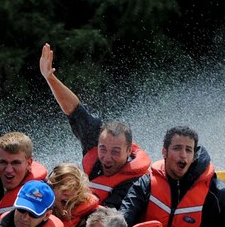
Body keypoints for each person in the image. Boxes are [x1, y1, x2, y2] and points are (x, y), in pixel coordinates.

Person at [39, 43, 151, 208]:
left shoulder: (138, 183)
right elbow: (74, 110)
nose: (106, 157)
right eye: (103, 149)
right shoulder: (94, 140)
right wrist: (50, 78)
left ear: (129, 151)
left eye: (115, 152)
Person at [119, 125, 225, 227]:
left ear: (194, 156)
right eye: (177, 148)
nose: (183, 155)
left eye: (188, 150)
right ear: (165, 152)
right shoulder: (145, 184)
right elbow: (123, 221)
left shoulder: (218, 194)